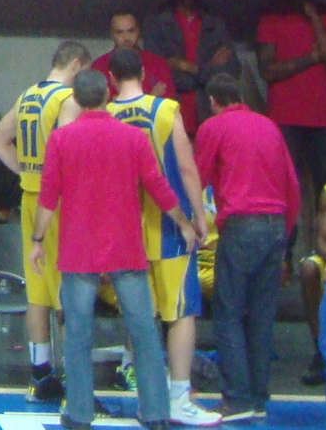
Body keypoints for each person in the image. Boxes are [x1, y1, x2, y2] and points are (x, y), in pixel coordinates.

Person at [35, 66, 187, 430]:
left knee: (78, 334)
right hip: (125, 248)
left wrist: (37, 241)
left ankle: (80, 413)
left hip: (78, 249)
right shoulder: (133, 138)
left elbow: (47, 196)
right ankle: (155, 412)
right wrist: (183, 221)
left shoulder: (61, 140)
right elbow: (157, 185)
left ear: (76, 98)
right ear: (108, 94)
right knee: (144, 332)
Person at [106, 46, 217, 427]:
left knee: (140, 315)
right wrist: (199, 217)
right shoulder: (166, 110)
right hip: (169, 229)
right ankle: (178, 397)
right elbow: (186, 168)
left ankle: (146, 395)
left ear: (110, 78)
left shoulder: (104, 115)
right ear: (141, 70)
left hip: (126, 231)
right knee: (181, 312)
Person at [194, 70, 301, 425]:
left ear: (213, 101)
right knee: (261, 315)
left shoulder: (213, 128)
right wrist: (284, 239)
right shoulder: (269, 126)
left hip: (241, 224)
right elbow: (292, 186)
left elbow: (198, 177)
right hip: (275, 225)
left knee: (227, 314)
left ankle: (237, 397)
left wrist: (194, 225)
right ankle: (258, 395)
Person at [0, 38, 87, 402]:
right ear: (76, 65)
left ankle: (40, 374)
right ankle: (77, 383)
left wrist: (23, 172)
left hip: (29, 196)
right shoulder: (66, 100)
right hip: (57, 202)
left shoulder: (29, 94)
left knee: (38, 291)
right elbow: (68, 149)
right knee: (67, 290)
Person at [254, 0, 326, 220]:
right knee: (285, 190)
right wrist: (310, 58)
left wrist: (314, 17)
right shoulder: (272, 15)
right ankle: (285, 258)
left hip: (324, 118)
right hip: (285, 119)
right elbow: (268, 71)